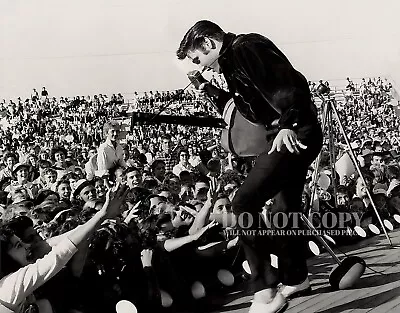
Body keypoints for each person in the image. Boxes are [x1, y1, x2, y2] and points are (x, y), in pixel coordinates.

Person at [176, 20, 323, 312]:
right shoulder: (233, 60)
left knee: (243, 203)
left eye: (198, 59)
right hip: (289, 132)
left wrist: (288, 123)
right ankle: (297, 278)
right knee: (284, 209)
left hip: (292, 133)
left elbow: (290, 85)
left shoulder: (246, 48)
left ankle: (265, 291)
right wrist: (205, 87)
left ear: (208, 44)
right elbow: (244, 106)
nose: (203, 66)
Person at [0, 183, 129, 313]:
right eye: (18, 246)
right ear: (4, 257)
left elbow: (67, 239)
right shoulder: (8, 286)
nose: (27, 246)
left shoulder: (29, 260)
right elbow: (61, 252)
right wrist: (101, 215)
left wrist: (100, 218)